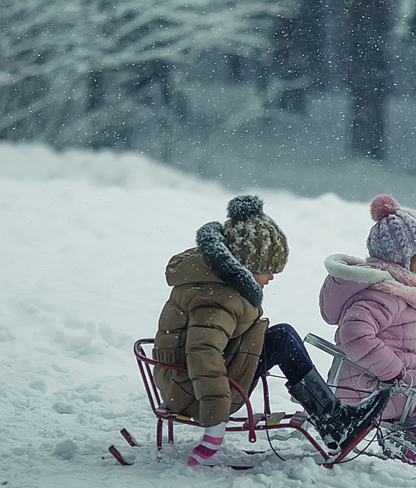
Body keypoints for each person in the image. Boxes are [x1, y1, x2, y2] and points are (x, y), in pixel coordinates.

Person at [153, 195, 390, 467]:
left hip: (184, 383)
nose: (272, 277)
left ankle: (333, 420)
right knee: (282, 339)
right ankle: (335, 422)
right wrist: (214, 425)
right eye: (267, 269)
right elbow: (203, 354)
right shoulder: (217, 298)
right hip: (194, 393)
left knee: (281, 337)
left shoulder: (212, 279)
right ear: (245, 266)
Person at [319, 195, 416, 476]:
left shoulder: (388, 291)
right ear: (402, 258)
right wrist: (395, 374)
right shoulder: (384, 294)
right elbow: (355, 335)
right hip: (369, 391)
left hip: (367, 383)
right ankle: (413, 439)